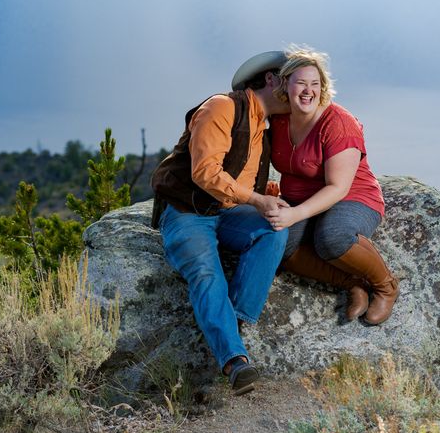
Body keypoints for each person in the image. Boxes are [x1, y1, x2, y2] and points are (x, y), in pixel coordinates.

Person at [151, 51, 290, 396]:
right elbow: (205, 172)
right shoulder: (221, 107)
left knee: (274, 229)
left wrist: (267, 193)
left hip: (226, 213)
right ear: (271, 79)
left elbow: (244, 177)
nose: (298, 88)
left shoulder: (265, 127)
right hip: (187, 211)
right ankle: (234, 360)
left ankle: (233, 320)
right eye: (290, 78)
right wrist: (257, 200)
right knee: (205, 272)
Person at [264, 45, 399, 325]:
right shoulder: (278, 119)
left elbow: (338, 187)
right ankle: (352, 283)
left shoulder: (338, 122)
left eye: (315, 84)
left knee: (331, 238)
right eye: (300, 82)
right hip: (301, 199)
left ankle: (385, 286)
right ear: (285, 84)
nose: (307, 90)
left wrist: (294, 214)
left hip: (352, 196)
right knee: (277, 245)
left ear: (323, 87)